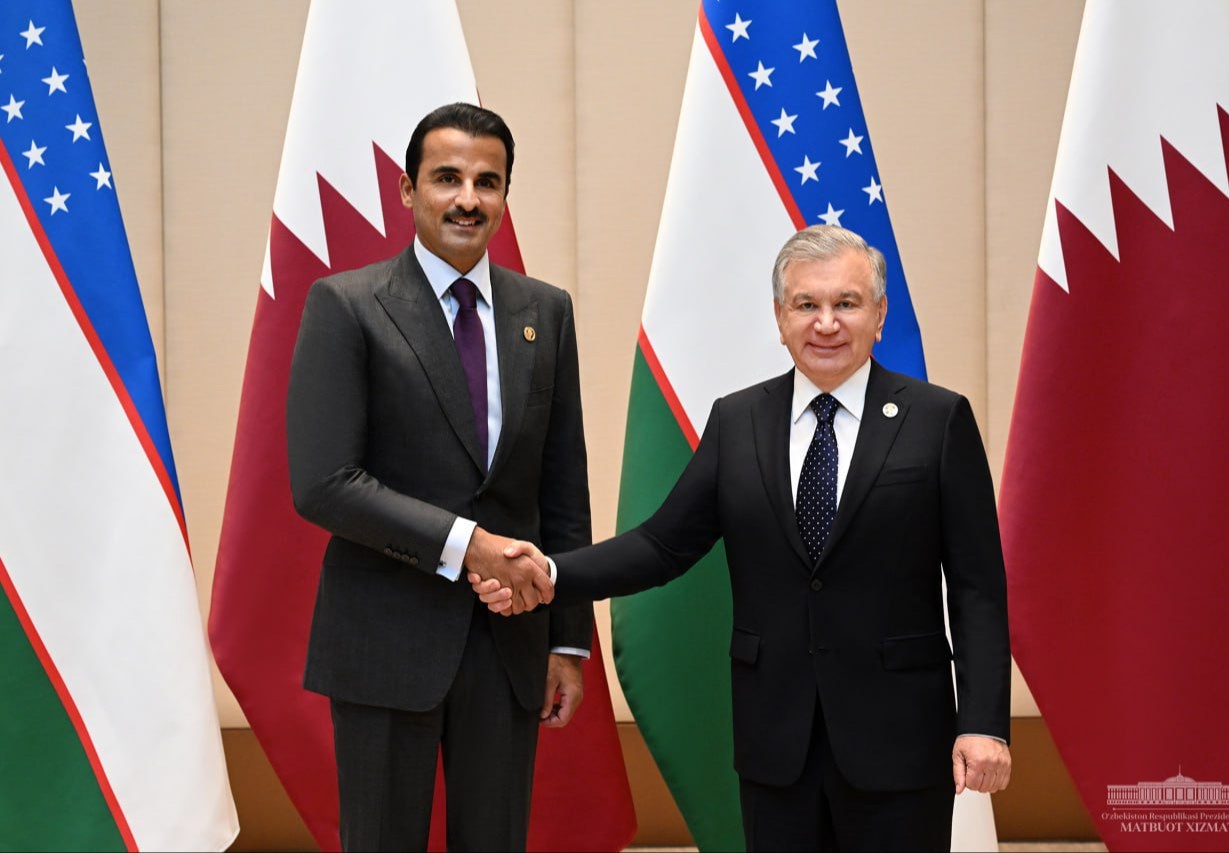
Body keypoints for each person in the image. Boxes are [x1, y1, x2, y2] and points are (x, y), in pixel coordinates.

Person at [475, 226, 1012, 851]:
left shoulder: (937, 420)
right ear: (780, 317)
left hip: (900, 740)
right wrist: (550, 572)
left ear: (879, 314)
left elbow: (976, 587)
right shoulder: (739, 421)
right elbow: (661, 546)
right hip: (777, 741)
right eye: (806, 305)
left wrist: (983, 723)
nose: (826, 323)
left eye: (846, 303)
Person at [287, 101, 591, 852]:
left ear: (505, 194)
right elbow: (324, 481)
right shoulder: (347, 305)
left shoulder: (545, 312)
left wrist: (567, 642)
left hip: (510, 642)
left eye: (488, 182)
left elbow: (562, 487)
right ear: (407, 189)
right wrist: (468, 545)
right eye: (447, 178)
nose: (467, 199)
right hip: (384, 637)